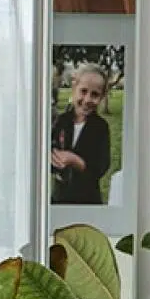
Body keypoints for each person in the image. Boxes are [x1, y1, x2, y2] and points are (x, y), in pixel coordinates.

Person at [50, 62, 114, 207]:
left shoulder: (101, 128)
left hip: (88, 200)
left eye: (95, 95)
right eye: (83, 91)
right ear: (74, 88)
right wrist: (52, 158)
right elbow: (50, 149)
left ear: (102, 96)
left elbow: (101, 166)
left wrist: (77, 162)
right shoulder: (61, 121)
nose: (87, 100)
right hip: (59, 198)